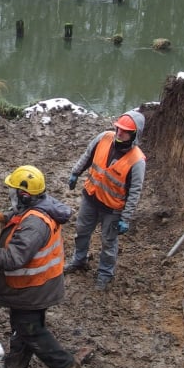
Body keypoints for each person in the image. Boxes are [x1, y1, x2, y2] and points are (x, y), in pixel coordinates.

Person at [0, 165, 82, 368]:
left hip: (34, 288)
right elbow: (21, 215)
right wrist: (6, 216)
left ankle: (65, 365)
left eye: (14, 191)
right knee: (23, 325)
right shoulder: (39, 205)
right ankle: (15, 365)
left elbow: (12, 258)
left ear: (25, 195)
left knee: (30, 328)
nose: (11, 195)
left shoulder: (34, 225)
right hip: (37, 285)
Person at [65, 110, 147, 291]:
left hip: (112, 209)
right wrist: (75, 172)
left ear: (134, 135)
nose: (119, 133)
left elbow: (135, 191)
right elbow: (88, 155)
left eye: (125, 131)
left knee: (108, 242)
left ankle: (105, 273)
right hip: (91, 197)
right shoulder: (104, 138)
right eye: (118, 128)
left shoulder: (137, 161)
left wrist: (125, 218)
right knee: (81, 231)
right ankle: (79, 260)